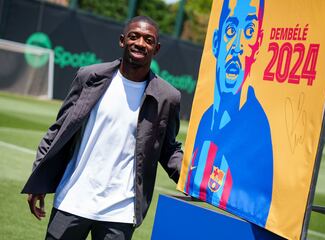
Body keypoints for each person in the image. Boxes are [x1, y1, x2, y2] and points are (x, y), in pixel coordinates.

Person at [22, 16, 183, 240]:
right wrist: (38, 179)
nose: (139, 43)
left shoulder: (168, 97)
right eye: (133, 36)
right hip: (72, 199)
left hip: (120, 211)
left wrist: (194, 180)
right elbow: (58, 130)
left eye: (148, 40)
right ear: (122, 40)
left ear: (156, 49)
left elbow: (169, 149)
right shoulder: (89, 77)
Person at [183, 0, 273, 227]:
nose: (238, 45)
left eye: (249, 32)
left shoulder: (258, 133)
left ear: (258, 45)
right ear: (216, 42)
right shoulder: (204, 120)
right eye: (232, 30)